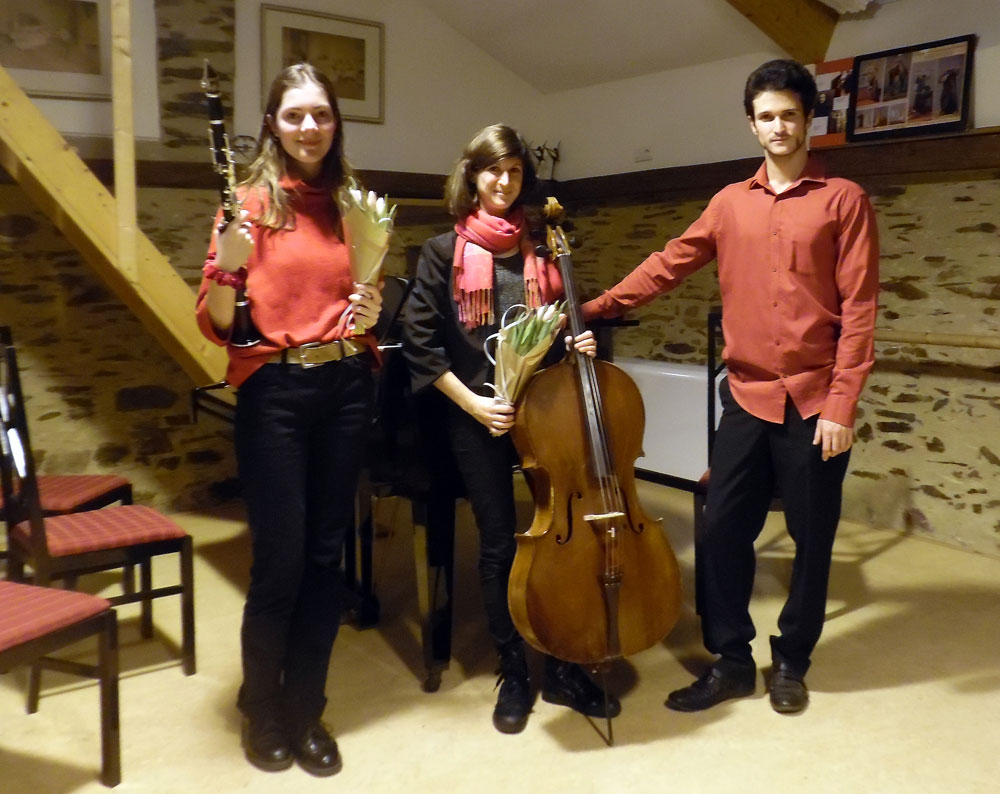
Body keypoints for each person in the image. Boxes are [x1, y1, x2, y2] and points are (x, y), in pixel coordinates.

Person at [582, 60, 879, 715]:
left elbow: (860, 309)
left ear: (808, 120)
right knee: (720, 528)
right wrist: (597, 307)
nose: (778, 127)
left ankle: (792, 661)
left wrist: (842, 404)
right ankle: (733, 661)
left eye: (789, 115)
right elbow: (670, 263)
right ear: (752, 124)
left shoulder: (844, 201)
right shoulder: (728, 203)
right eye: (766, 116)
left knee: (812, 540)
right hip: (745, 396)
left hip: (815, 403)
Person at [195, 63, 383, 775]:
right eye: (295, 114)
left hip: (345, 387)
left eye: (322, 114)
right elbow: (218, 325)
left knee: (326, 559)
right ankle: (261, 710)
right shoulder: (247, 204)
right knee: (280, 560)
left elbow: (361, 303)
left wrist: (371, 310)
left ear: (336, 123)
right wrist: (226, 265)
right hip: (274, 394)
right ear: (273, 124)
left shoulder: (352, 206)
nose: (310, 127)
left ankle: (306, 709)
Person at [402, 123, 620, 734]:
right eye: (493, 169)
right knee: (500, 544)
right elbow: (420, 346)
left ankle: (564, 665)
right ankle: (514, 671)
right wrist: (474, 405)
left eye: (515, 171)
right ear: (472, 176)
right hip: (479, 419)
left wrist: (578, 341)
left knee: (561, 540)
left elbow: (560, 328)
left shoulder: (542, 250)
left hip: (547, 417)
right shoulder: (441, 252)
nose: (503, 180)